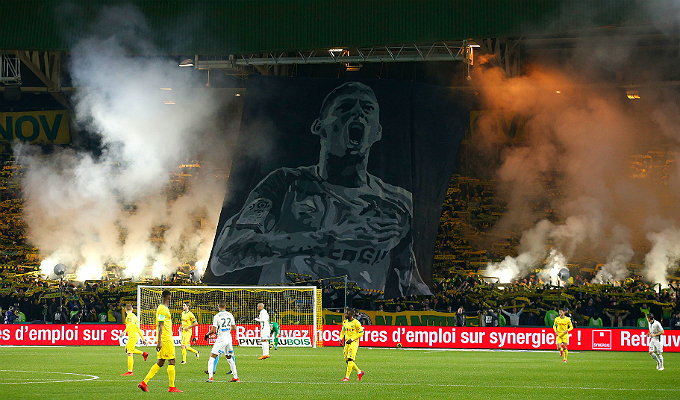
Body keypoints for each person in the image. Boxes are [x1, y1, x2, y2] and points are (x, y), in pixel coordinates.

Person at [209, 82, 432, 298]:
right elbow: (224, 257)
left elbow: (409, 282)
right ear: (319, 127)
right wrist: (327, 238)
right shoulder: (284, 184)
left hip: (354, 315)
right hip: (290, 314)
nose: (357, 114)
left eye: (367, 109)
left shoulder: (398, 202)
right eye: (345, 107)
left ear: (377, 132)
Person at [138, 290, 182, 392]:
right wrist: (159, 342)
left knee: (160, 362)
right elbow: (160, 326)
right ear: (169, 297)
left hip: (164, 338)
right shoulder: (162, 309)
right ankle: (172, 387)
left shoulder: (162, 308)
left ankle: (144, 383)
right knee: (172, 361)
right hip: (166, 339)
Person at [204, 300, 239, 383]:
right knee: (229, 358)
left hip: (221, 338)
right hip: (229, 338)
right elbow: (234, 327)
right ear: (225, 306)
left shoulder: (217, 316)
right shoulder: (230, 315)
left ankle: (210, 377)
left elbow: (213, 330)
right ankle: (235, 377)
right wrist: (227, 329)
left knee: (212, 358)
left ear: (218, 306)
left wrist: (207, 334)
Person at [121, 304, 149, 376]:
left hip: (132, 336)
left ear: (125, 310)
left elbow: (130, 324)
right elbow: (138, 328)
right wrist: (143, 339)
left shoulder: (129, 316)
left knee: (129, 353)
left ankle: (130, 372)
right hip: (134, 335)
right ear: (132, 309)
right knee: (127, 350)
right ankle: (144, 353)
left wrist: (124, 332)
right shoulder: (135, 317)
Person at [340, 308, 365, 382]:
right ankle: (359, 372)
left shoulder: (356, 323)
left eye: (347, 314)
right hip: (346, 343)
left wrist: (352, 339)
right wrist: (340, 338)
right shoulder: (345, 322)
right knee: (347, 361)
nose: (345, 315)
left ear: (351, 315)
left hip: (353, 343)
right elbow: (343, 331)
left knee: (350, 359)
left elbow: (361, 332)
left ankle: (347, 377)